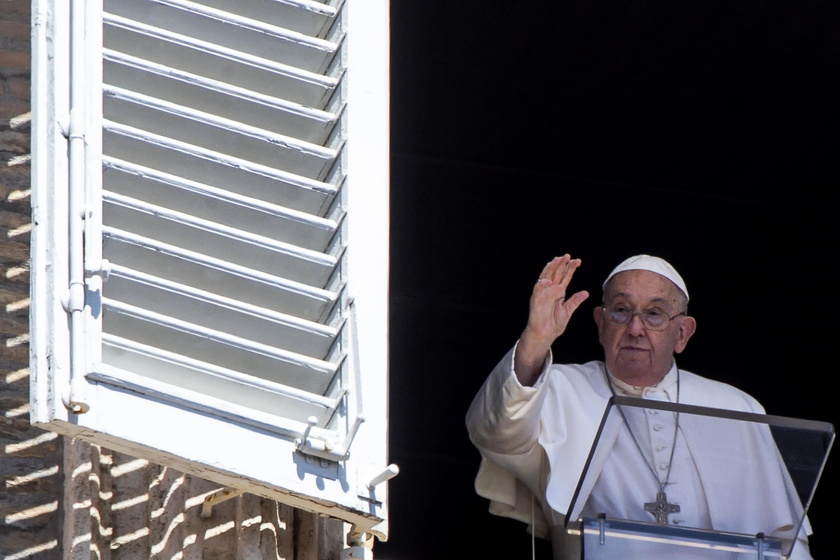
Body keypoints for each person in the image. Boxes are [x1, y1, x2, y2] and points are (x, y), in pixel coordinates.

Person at [465, 254, 814, 559]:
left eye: (655, 314)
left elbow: (785, 541)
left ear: (682, 334)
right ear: (600, 324)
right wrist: (536, 340)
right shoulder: (557, 388)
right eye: (621, 311)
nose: (635, 328)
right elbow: (497, 433)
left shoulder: (737, 407)